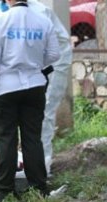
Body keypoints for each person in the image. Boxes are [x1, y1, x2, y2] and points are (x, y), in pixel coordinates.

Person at [0, 0, 60, 202]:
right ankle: (38, 188)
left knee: (6, 138)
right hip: (34, 85)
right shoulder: (43, 20)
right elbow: (54, 54)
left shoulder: (1, 20)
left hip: (5, 87)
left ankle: (4, 192)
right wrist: (33, 66)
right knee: (32, 137)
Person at [27, 0, 73, 175]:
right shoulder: (14, 14)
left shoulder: (40, 12)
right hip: (40, 68)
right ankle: (35, 162)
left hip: (55, 66)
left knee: (45, 113)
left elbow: (54, 50)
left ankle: (43, 165)